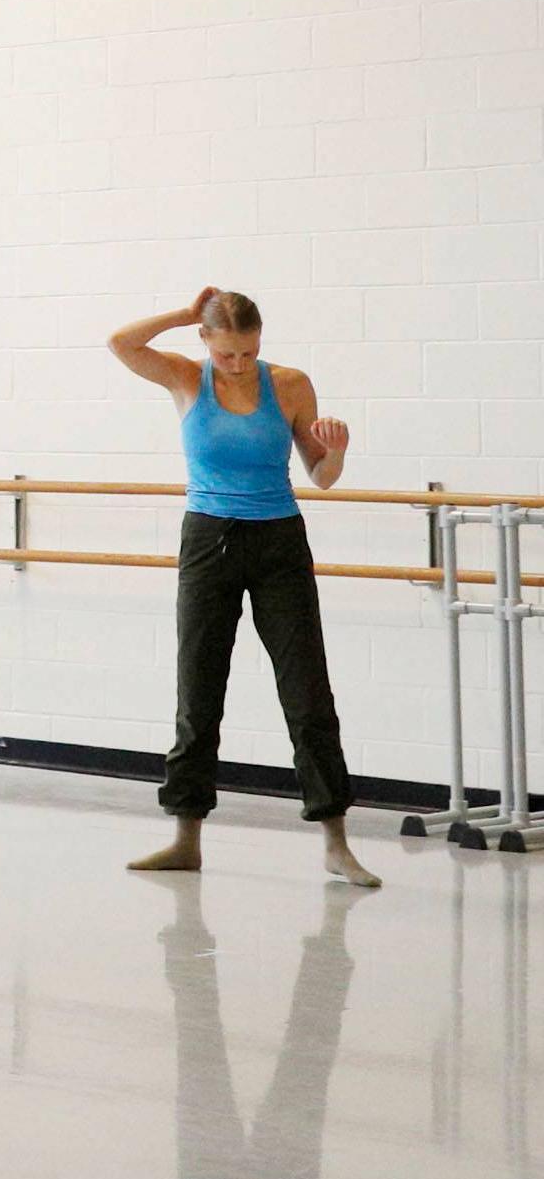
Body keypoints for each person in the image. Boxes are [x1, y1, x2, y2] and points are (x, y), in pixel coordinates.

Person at [108, 288, 377, 888]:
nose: (237, 363)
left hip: (278, 541)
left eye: (247, 352)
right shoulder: (184, 377)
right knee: (198, 690)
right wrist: (182, 313)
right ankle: (185, 838)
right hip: (208, 541)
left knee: (308, 694)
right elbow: (120, 343)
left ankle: (336, 841)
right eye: (226, 353)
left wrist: (334, 452)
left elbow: (323, 478)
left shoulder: (289, 384)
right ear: (205, 343)